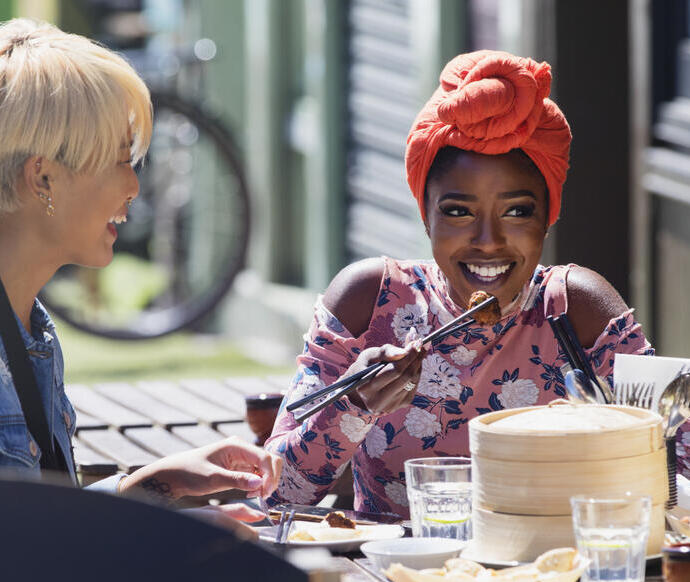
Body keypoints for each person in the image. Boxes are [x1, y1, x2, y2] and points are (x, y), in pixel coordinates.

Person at [266, 49, 654, 515]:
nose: (488, 242)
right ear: (426, 219)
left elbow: (678, 466)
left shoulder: (578, 309)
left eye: (517, 211)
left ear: (547, 218)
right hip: (387, 581)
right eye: (457, 212)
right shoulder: (371, 302)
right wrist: (353, 405)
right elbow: (274, 492)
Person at [0, 19, 280, 524]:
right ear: (43, 177)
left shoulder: (30, 327)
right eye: (119, 159)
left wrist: (155, 488)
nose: (133, 186)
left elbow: (50, 524)